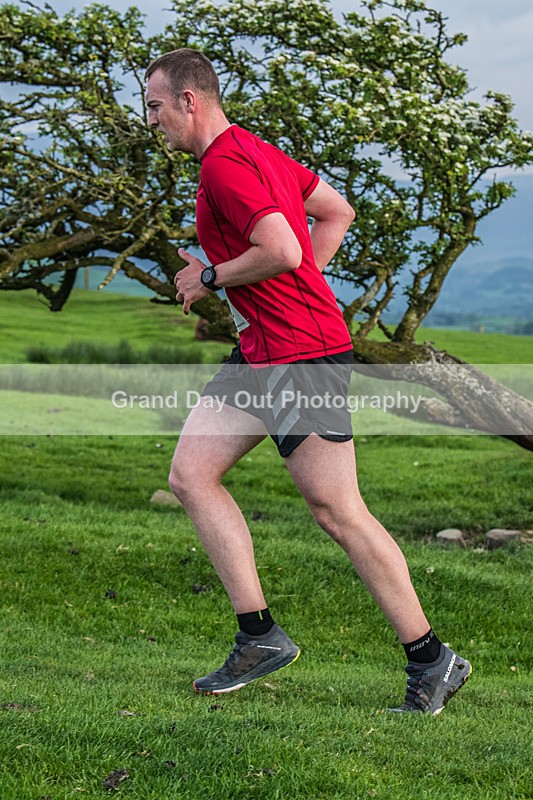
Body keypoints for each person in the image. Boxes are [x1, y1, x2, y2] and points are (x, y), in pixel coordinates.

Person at [144, 48, 471, 713]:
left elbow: (285, 249)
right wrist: (297, 288)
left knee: (336, 511)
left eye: (153, 106)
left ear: (188, 100)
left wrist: (208, 274)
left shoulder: (228, 167)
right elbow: (336, 211)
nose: (149, 121)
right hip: (264, 348)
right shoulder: (256, 152)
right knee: (189, 475)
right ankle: (258, 636)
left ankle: (431, 659)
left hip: (300, 355)